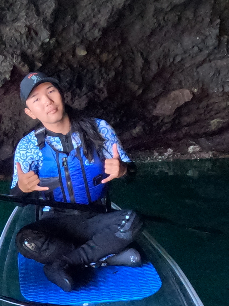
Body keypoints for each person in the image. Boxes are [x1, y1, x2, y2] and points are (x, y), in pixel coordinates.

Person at [11, 73, 143, 291]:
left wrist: (123, 170)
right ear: (29, 112)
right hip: (55, 222)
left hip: (96, 216)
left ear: (62, 94)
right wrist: (22, 189)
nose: (47, 101)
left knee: (133, 220)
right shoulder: (28, 147)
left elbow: (131, 173)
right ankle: (104, 257)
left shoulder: (99, 129)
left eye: (51, 91)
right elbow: (16, 198)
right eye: (36, 99)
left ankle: (66, 263)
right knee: (25, 240)